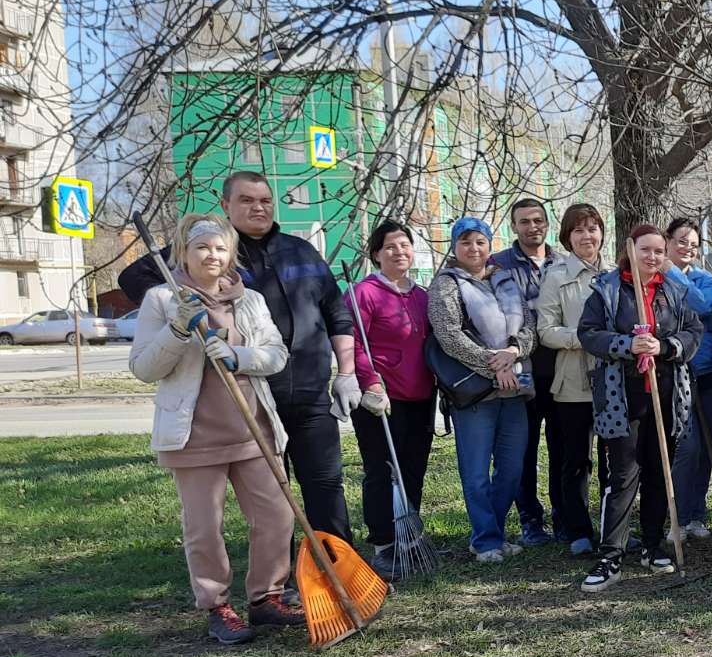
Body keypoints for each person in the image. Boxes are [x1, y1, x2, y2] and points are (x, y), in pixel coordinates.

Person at [120, 170, 358, 544]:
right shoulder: (212, 250)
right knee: (276, 494)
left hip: (311, 392)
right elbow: (135, 278)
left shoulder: (302, 251)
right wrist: (185, 308)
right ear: (225, 204)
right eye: (246, 200)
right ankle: (288, 573)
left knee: (325, 482)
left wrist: (348, 372)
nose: (258, 208)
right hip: (257, 394)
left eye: (264, 200)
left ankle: (336, 565)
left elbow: (337, 313)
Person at [130, 212, 302, 643]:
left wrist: (236, 355)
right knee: (205, 526)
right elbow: (144, 368)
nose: (213, 254)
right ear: (183, 252)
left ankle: (267, 598)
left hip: (252, 428)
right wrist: (176, 330)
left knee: (277, 515)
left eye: (221, 247)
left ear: (231, 254)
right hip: (193, 435)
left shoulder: (249, 300)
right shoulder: (162, 300)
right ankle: (217, 606)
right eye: (203, 246)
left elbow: (276, 353)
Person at [577, 224, 703, 590]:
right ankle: (610, 555)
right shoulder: (608, 290)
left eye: (658, 251)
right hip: (623, 396)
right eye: (645, 250)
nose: (652, 257)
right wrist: (625, 345)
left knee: (658, 470)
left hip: (665, 395)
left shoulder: (673, 291)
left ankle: (652, 543)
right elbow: (588, 333)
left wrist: (664, 347)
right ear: (630, 250)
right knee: (623, 475)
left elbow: (693, 333)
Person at [428, 217, 536, 562]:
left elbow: (529, 326)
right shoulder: (446, 283)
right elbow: (448, 336)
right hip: (475, 392)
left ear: (490, 245)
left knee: (511, 468)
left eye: (480, 242)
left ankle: (496, 531)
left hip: (515, 386)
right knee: (475, 470)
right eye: (466, 242)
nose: (474, 249)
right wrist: (493, 365)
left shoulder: (504, 278)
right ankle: (485, 540)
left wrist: (513, 352)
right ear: (455, 247)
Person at [348, 220, 436, 579]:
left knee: (413, 467)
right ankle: (384, 543)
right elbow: (352, 342)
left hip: (420, 394)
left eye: (404, 245)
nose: (399, 252)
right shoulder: (363, 294)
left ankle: (408, 537)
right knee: (382, 470)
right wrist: (369, 383)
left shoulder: (421, 296)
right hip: (380, 398)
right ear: (376, 254)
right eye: (390, 247)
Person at [534, 203, 609, 556]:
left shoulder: (615, 273)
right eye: (579, 230)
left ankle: (614, 527)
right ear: (567, 236)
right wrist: (586, 337)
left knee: (615, 459)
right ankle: (578, 529)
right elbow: (545, 330)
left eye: (592, 228)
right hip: (573, 380)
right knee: (576, 458)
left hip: (613, 380)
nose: (587, 236)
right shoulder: (556, 275)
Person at [488, 197, 560, 547]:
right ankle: (530, 519)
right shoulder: (498, 265)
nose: (533, 227)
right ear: (514, 227)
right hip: (523, 373)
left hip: (564, 371)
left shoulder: (563, 261)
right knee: (523, 451)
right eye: (525, 221)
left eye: (538, 220)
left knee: (564, 448)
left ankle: (566, 515)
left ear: (547, 223)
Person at [663, 216, 712, 545]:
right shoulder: (655, 280)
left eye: (693, 244)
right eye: (680, 242)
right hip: (676, 374)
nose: (687, 248)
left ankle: (698, 514)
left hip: (710, 372)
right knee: (685, 448)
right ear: (667, 242)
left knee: (705, 447)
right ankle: (677, 514)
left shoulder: (704, 279)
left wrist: (671, 271)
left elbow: (702, 305)